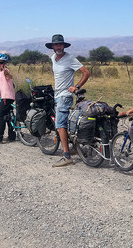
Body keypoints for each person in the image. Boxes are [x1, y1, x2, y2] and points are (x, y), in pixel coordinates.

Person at [45, 34, 91, 167]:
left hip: (65, 95)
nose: (58, 47)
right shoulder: (53, 58)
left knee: (60, 124)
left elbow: (86, 72)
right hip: (57, 94)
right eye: (56, 44)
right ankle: (75, 147)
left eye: (60, 44)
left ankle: (66, 156)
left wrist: (76, 86)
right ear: (52, 46)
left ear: (64, 46)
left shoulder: (70, 58)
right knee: (66, 122)